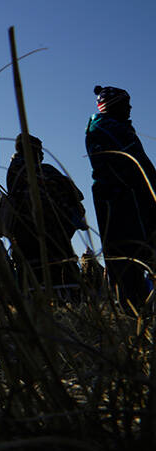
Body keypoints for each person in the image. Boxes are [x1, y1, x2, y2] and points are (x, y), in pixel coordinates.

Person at [86, 85, 156, 311]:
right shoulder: (103, 129)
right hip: (121, 204)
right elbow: (129, 166)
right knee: (127, 257)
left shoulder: (119, 128)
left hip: (136, 200)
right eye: (126, 105)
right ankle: (135, 311)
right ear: (113, 106)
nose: (130, 109)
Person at [6, 133, 86, 290]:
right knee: (56, 270)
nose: (42, 154)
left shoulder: (17, 170)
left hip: (31, 232)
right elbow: (74, 195)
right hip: (46, 231)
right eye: (38, 150)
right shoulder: (37, 171)